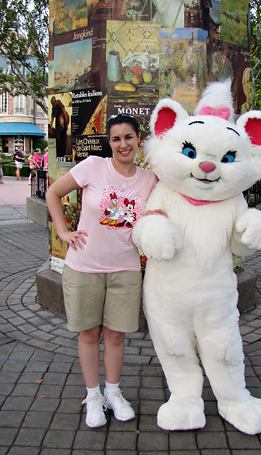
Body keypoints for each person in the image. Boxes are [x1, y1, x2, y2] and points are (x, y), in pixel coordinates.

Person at [46, 114, 157, 429]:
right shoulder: (94, 166)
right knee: (89, 333)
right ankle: (93, 396)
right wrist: (63, 231)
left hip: (125, 269)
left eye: (129, 137)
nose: (123, 144)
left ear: (138, 140)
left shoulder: (149, 180)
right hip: (84, 268)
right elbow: (53, 193)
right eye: (116, 139)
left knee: (116, 335)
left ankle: (113, 392)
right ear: (109, 143)